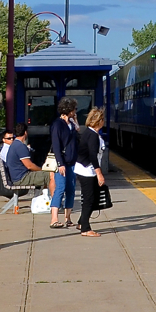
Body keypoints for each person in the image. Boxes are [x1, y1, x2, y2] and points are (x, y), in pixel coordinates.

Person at [74, 108, 107, 238]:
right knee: (89, 199)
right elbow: (93, 156)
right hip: (87, 170)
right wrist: (99, 174)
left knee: (92, 198)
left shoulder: (89, 132)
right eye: (102, 119)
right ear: (99, 121)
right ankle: (85, 229)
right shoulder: (93, 136)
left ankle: (81, 222)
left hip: (84, 169)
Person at [49, 97, 79, 229]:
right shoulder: (57, 125)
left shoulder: (71, 124)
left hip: (72, 161)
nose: (75, 111)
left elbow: (77, 131)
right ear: (69, 110)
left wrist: (75, 121)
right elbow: (56, 145)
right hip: (62, 162)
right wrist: (60, 163)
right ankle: (54, 218)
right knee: (60, 188)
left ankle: (68, 218)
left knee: (71, 189)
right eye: (74, 109)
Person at [6, 123, 53, 189]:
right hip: (21, 178)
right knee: (51, 175)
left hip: (17, 177)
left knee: (44, 174)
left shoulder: (14, 145)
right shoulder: (20, 147)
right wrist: (41, 170)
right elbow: (29, 166)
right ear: (25, 132)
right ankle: (55, 198)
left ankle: (45, 195)